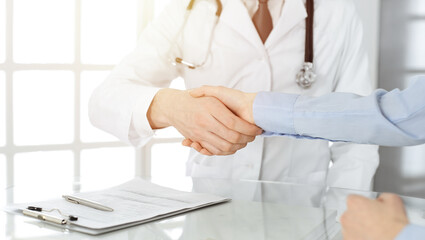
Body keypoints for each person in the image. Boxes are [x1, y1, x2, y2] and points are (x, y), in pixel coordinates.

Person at [89, 0, 379, 190]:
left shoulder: (337, 12)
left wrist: (344, 213)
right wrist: (171, 106)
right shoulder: (187, 9)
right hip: (211, 211)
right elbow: (104, 100)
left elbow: (359, 133)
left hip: (301, 207)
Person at [185, 75, 425, 239]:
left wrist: (397, 234)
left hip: (305, 209)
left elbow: (401, 117)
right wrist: (256, 109)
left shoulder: (336, 12)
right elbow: (407, 114)